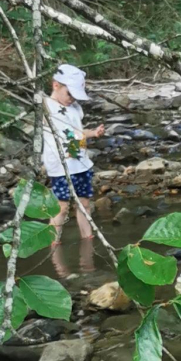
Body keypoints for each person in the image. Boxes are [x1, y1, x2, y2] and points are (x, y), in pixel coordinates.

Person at [41, 63, 105, 240]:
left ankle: (88, 239)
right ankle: (53, 244)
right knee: (61, 207)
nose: (72, 99)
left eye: (76, 96)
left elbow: (76, 132)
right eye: (69, 94)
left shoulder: (75, 107)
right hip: (61, 166)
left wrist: (93, 133)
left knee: (84, 204)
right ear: (56, 85)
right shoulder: (46, 106)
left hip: (81, 163)